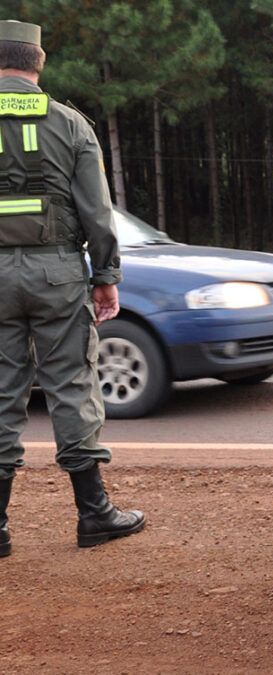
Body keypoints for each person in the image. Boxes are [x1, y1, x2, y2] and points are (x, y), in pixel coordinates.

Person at [0, 20, 144, 556]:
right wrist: (105, 277)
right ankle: (94, 514)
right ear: (38, 64)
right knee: (70, 386)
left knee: (0, 392)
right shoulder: (71, 125)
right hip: (56, 273)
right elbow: (98, 214)